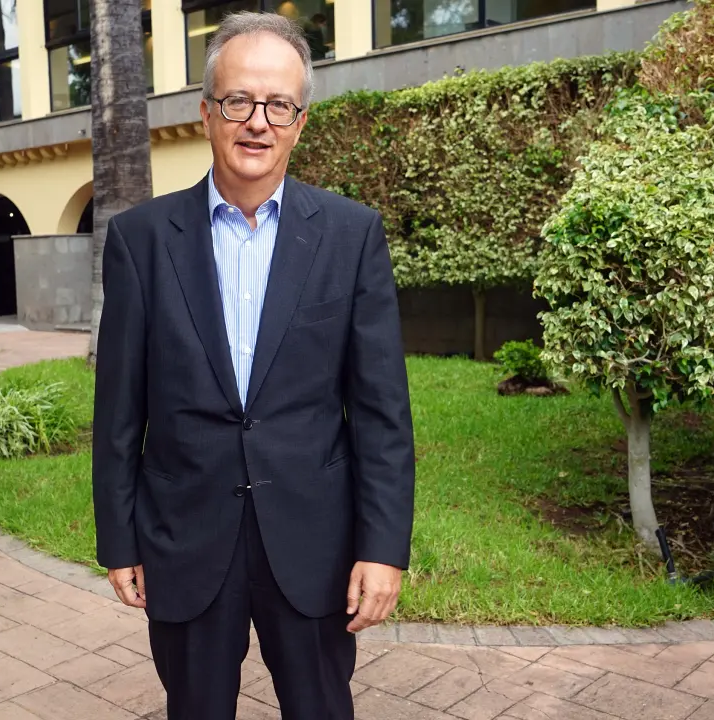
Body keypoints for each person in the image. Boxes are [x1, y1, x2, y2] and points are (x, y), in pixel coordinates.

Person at [91, 11, 415, 720]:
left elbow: (382, 413)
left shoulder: (351, 235)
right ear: (206, 111)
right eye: (238, 101)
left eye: (279, 105)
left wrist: (384, 548)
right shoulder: (141, 241)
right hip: (184, 537)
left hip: (313, 541)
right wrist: (118, 539)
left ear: (301, 121)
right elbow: (118, 411)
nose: (258, 122)